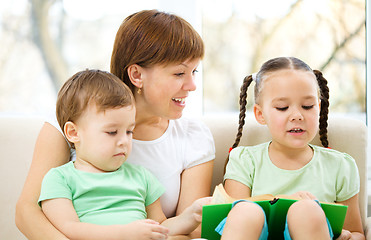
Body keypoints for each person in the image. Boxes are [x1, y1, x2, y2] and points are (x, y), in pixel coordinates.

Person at [16, 9, 215, 240]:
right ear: (137, 75)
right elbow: (27, 211)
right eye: (179, 73)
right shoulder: (73, 120)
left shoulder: (193, 137)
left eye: (194, 72)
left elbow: (190, 230)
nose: (192, 86)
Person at [38, 69, 209, 240]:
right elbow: (69, 229)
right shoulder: (59, 179)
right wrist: (124, 234)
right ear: (74, 133)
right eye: (112, 132)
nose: (124, 141)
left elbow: (160, 227)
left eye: (129, 131)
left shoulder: (142, 177)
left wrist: (190, 216)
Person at [218, 57, 364, 240]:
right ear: (260, 114)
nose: (297, 115)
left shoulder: (340, 165)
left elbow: (357, 232)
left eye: (307, 106)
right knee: (244, 211)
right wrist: (282, 200)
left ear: (318, 108)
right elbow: (232, 212)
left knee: (307, 210)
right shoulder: (244, 160)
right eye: (282, 107)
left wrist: (348, 236)